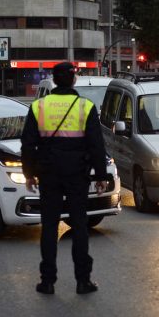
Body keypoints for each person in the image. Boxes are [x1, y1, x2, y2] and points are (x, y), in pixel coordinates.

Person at [21, 62, 109, 295]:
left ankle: (47, 281)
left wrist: (29, 173)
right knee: (79, 225)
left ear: (53, 80)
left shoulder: (39, 106)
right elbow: (96, 145)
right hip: (77, 172)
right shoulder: (85, 106)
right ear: (73, 79)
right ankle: (83, 281)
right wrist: (101, 175)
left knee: (49, 225)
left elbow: (28, 143)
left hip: (48, 171)